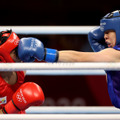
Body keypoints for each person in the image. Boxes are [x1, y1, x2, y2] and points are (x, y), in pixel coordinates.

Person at [17, 10, 120, 109]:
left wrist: (45, 53)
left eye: (108, 32)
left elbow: (78, 58)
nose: (105, 37)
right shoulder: (113, 55)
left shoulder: (115, 54)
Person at [0, 30, 45, 114]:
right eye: (15, 52)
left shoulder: (21, 68)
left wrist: (44, 53)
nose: (20, 53)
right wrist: (14, 106)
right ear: (2, 57)